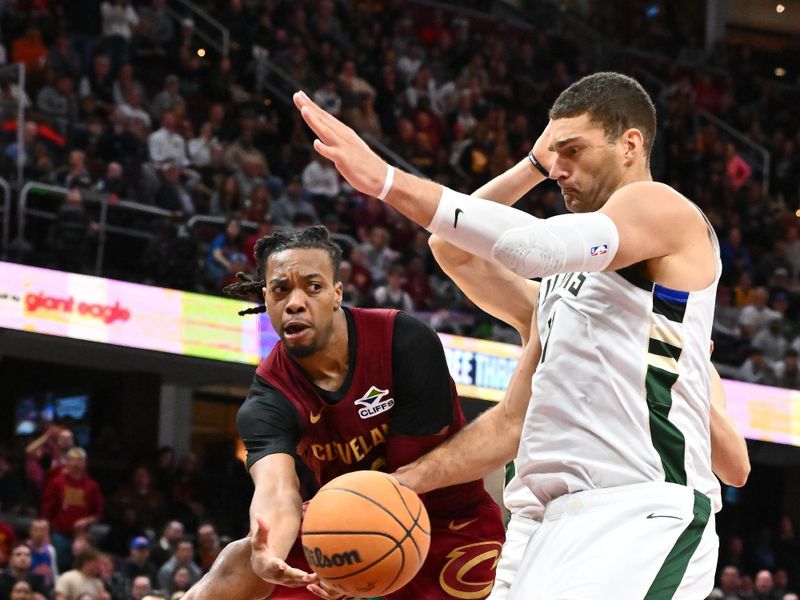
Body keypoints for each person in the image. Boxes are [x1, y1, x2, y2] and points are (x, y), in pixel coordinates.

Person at [293, 71, 730, 598]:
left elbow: (529, 248)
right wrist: (397, 485)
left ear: (630, 144)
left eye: (572, 151)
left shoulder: (660, 206)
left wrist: (385, 180)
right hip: (539, 527)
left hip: (634, 513)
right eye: (554, 155)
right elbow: (509, 419)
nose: (560, 169)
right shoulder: (558, 292)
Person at [392, 156, 749, 599]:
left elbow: (736, 468)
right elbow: (450, 248)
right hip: (539, 523)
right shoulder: (554, 297)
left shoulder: (682, 355)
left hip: (622, 514)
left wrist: (684, 379)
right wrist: (533, 166)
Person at [184, 226, 505, 600]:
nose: (295, 302)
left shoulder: (402, 341)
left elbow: (413, 473)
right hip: (351, 518)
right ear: (266, 300)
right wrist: (269, 550)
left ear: (338, 293)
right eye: (280, 290)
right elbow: (277, 491)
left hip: (447, 518)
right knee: (239, 564)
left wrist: (357, 547)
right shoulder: (268, 398)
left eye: (313, 286)